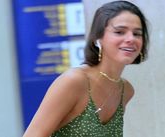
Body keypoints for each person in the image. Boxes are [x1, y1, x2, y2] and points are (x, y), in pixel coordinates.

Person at [23, 0, 149, 137]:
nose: (130, 38)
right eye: (119, 32)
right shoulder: (74, 81)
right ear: (98, 39)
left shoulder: (126, 90)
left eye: (137, 34)